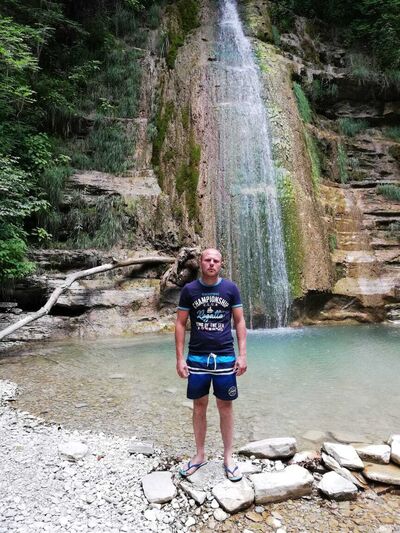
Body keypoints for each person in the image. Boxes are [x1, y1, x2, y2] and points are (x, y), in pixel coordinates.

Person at [175, 248, 247, 481]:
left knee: (226, 407)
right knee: (199, 406)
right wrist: (179, 358)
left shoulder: (230, 289)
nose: (212, 264)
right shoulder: (189, 290)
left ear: (221, 264)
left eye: (216, 260)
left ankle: (228, 457)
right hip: (197, 358)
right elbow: (180, 323)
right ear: (201, 262)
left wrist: (242, 355)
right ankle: (199, 455)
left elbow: (239, 321)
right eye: (208, 260)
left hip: (225, 357)